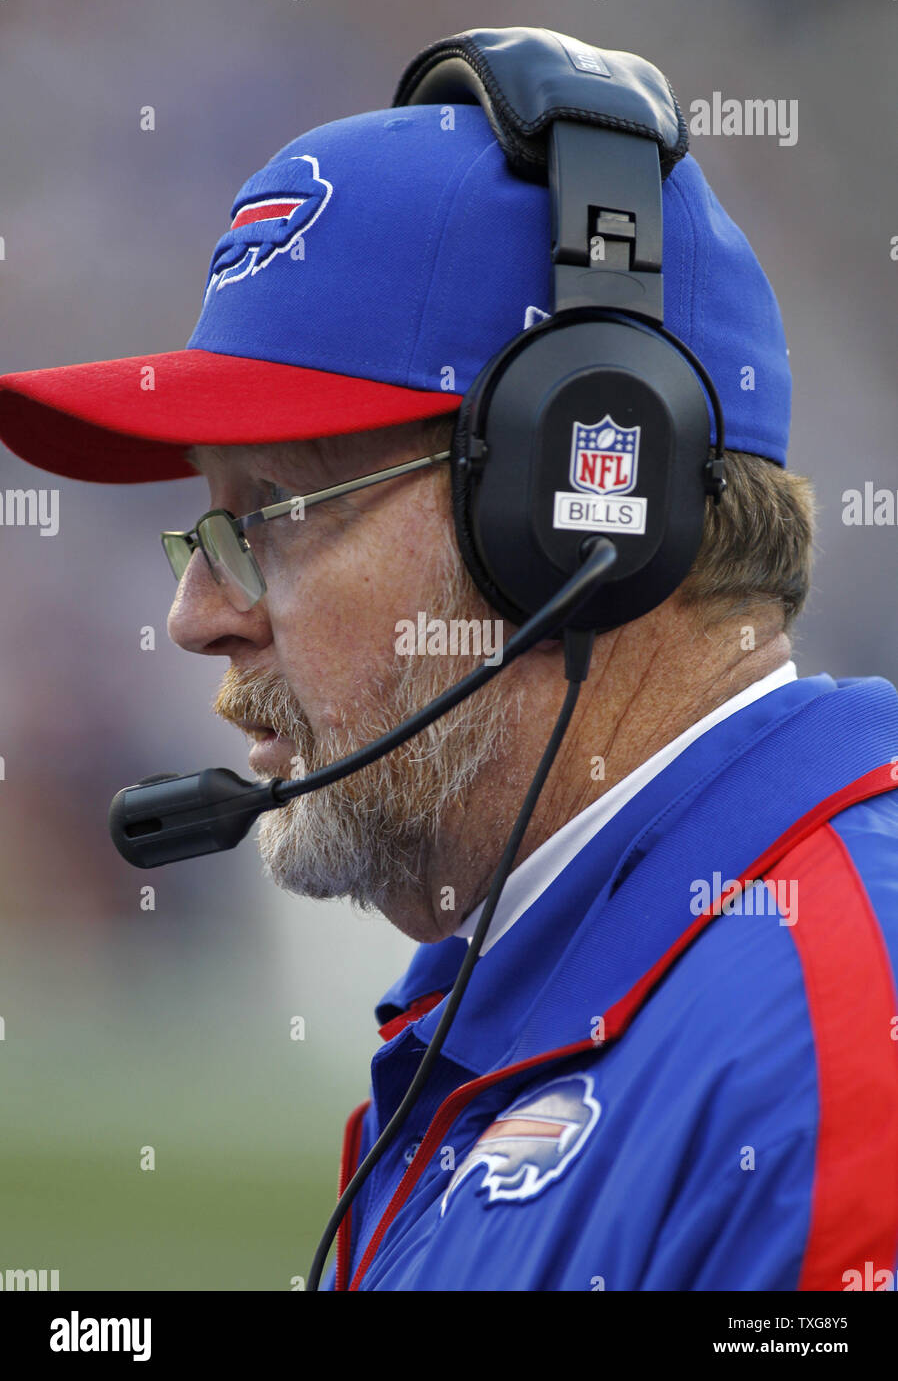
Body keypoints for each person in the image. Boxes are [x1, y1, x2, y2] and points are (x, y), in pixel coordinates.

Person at [2, 68, 897, 1293]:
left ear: (583, 513)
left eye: (271, 512)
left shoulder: (839, 1042)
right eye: (207, 530)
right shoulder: (491, 997)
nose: (197, 615)